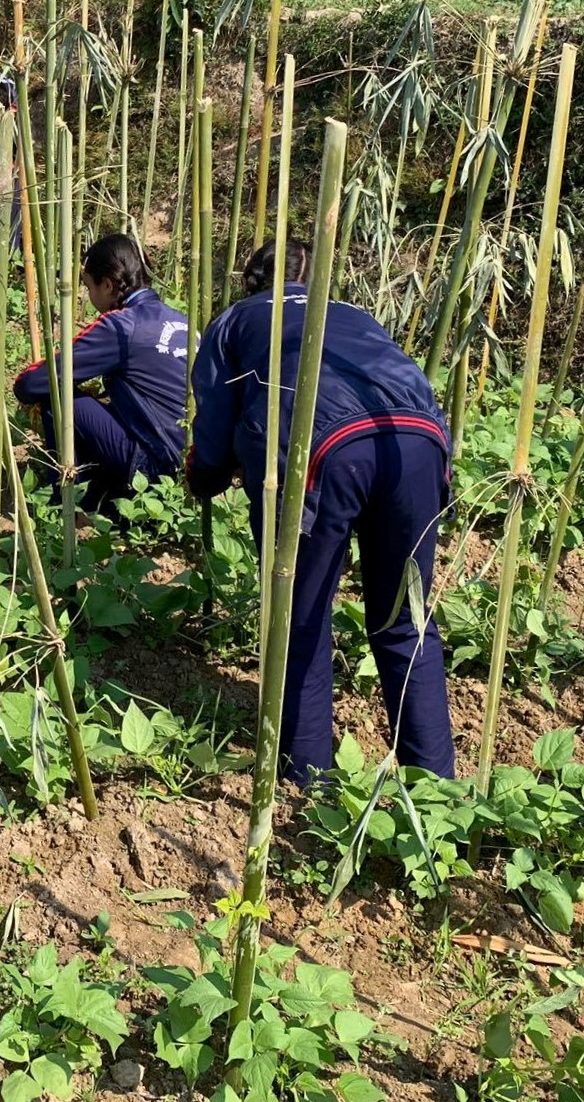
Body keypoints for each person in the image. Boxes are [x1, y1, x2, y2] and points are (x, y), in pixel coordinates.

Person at [187, 239, 456, 785]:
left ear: (249, 281)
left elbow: (213, 430)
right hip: (420, 445)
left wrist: (205, 478)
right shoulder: (354, 313)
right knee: (406, 620)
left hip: (319, 448)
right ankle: (437, 793)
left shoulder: (235, 320)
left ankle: (310, 780)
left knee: (301, 614)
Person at [13, 234, 191, 512]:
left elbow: (33, 382)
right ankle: (106, 494)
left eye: (89, 286)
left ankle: (66, 503)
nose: (89, 295)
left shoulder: (122, 326)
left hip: (153, 465)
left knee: (59, 398)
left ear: (107, 285)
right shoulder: (182, 321)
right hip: (190, 472)